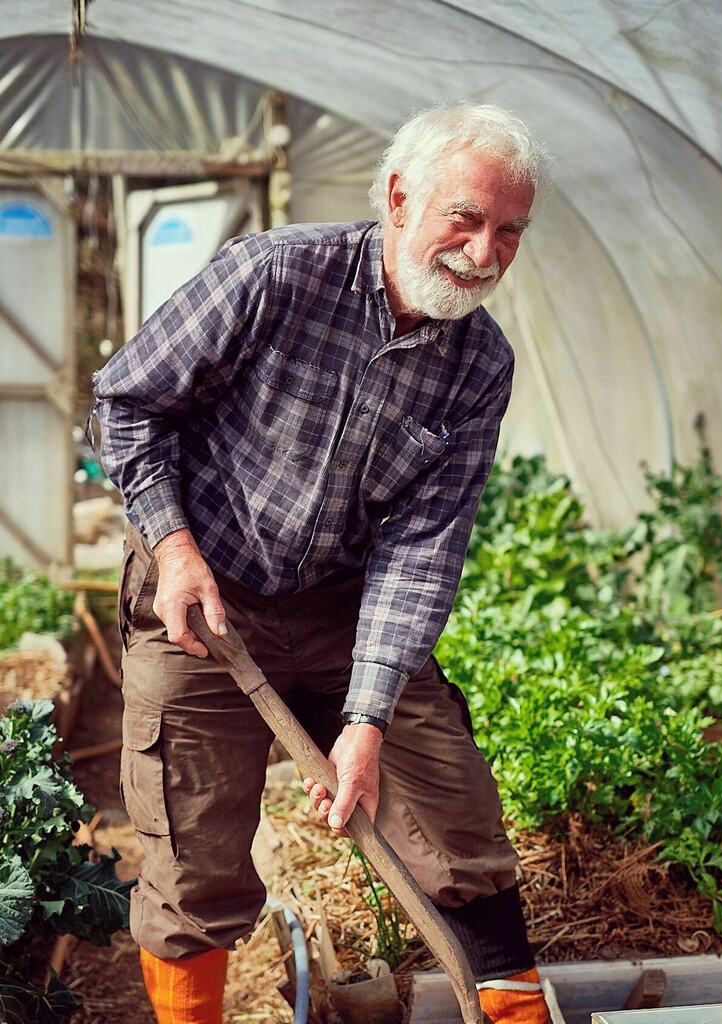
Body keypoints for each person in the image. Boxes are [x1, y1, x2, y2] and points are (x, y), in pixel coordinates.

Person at [91, 102, 551, 1024]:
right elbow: (125, 403)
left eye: (509, 231)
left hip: (342, 610)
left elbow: (422, 549)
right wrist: (174, 551)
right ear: (396, 197)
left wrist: (367, 717)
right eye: (465, 217)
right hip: (202, 597)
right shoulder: (275, 276)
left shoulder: (478, 366)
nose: (485, 250)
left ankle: (512, 1009)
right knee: (194, 857)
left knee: (453, 817)